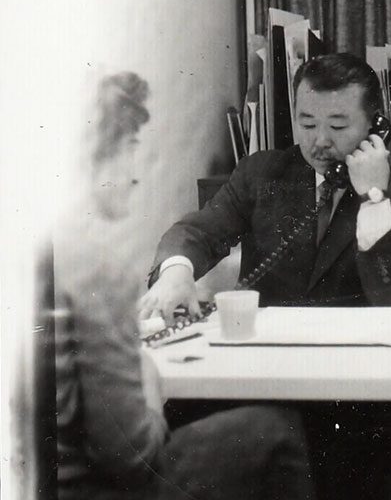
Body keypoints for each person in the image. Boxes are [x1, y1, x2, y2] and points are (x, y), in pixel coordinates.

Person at [138, 53, 391, 498]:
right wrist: (176, 273)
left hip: (349, 384)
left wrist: (373, 197)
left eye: (337, 127)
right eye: (306, 122)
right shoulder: (263, 174)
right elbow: (197, 231)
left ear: (375, 126)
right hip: (263, 371)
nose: (318, 141)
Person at [54, 71, 316, 500]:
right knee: (275, 429)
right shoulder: (94, 268)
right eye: (130, 149)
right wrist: (149, 389)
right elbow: (133, 455)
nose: (137, 173)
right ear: (90, 158)